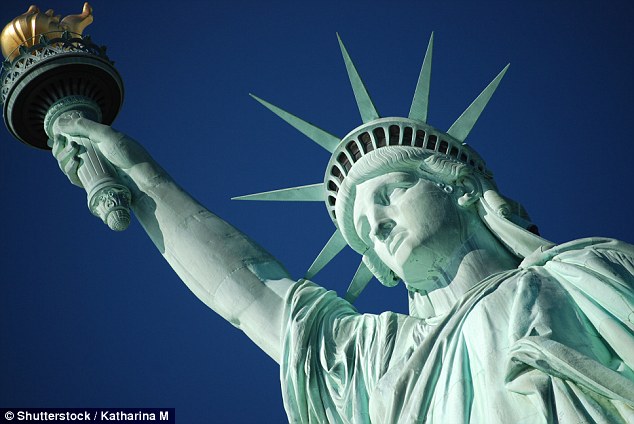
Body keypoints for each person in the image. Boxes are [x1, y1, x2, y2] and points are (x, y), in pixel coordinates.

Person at [49, 38, 634, 423]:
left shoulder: (590, 272)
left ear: (457, 187)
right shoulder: (383, 361)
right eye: (363, 229)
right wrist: (139, 175)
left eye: (389, 192)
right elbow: (249, 295)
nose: (376, 222)